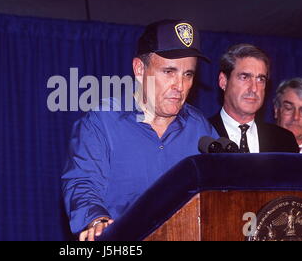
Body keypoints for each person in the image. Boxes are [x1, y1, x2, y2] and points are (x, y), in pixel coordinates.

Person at [61, 19, 218, 241]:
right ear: (139, 69)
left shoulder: (200, 127)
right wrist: (96, 220)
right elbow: (82, 183)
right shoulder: (101, 123)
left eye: (188, 74)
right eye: (169, 72)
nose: (180, 86)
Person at [209, 43, 299, 153]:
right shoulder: (202, 134)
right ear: (223, 81)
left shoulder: (284, 140)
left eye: (260, 79)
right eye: (245, 77)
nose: (254, 88)